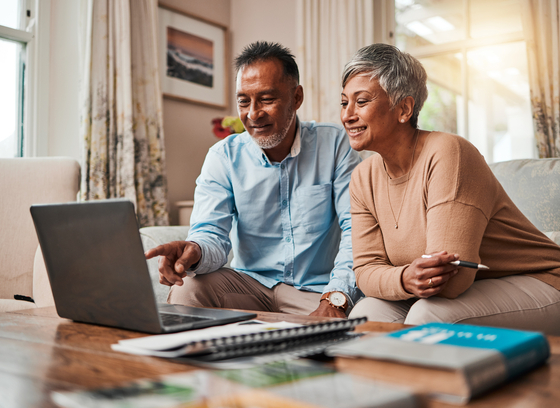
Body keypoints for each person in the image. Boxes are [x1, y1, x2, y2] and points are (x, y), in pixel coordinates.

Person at [341, 43, 560, 334]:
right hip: (457, 291)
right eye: (344, 102)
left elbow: (452, 280)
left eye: (362, 101)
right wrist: (406, 278)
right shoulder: (362, 177)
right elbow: (366, 272)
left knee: (428, 317)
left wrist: (401, 279)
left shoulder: (449, 153)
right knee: (366, 316)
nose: (347, 115)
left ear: (404, 108)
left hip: (541, 281)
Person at [145, 41, 361, 318]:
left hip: (316, 291)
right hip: (249, 286)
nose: (253, 114)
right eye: (243, 101)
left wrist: (335, 298)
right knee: (188, 289)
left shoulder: (334, 145)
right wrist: (194, 250)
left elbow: (357, 230)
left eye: (267, 99)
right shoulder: (223, 156)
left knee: (361, 318)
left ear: (296, 98)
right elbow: (211, 233)